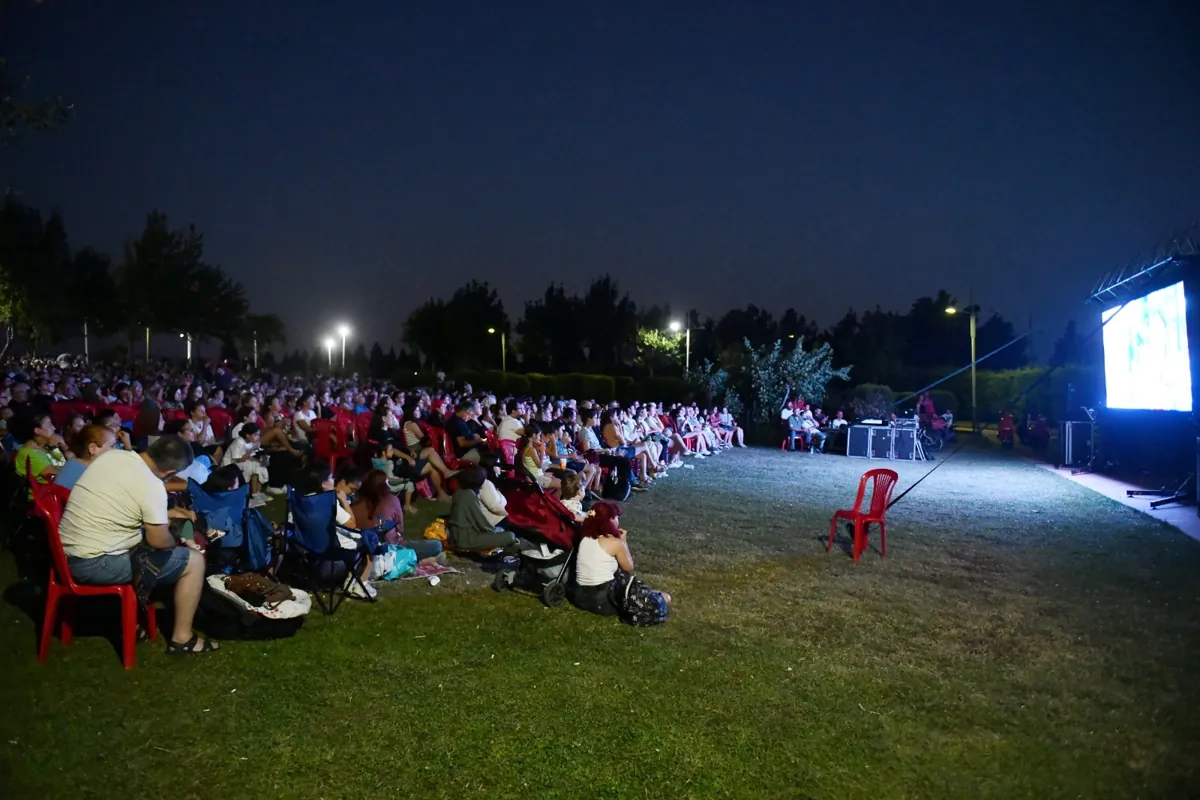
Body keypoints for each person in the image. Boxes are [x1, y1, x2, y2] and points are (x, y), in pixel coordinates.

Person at [58, 435, 219, 655]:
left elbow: (119, 499)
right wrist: (175, 540)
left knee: (147, 545)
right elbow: (157, 541)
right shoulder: (151, 486)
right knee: (194, 562)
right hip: (93, 563)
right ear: (170, 473)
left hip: (64, 552)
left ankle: (131, 619)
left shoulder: (112, 456)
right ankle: (183, 638)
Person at [569, 500, 670, 617]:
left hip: (579, 596)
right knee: (665, 598)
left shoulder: (584, 537)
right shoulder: (615, 543)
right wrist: (623, 542)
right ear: (610, 521)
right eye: (616, 517)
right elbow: (628, 568)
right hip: (601, 600)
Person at [351, 469, 443, 563]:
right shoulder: (391, 500)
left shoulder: (355, 505)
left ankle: (416, 559)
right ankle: (417, 560)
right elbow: (400, 528)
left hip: (364, 554)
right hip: (391, 550)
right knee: (436, 545)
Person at [446, 465, 519, 552]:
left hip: (459, 536)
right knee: (510, 536)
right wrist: (494, 533)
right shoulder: (469, 495)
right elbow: (481, 523)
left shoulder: (459, 493)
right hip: (466, 540)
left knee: (500, 531)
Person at [220, 422, 271, 506]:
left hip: (241, 462)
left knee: (260, 464)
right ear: (247, 435)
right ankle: (254, 496)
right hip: (230, 465)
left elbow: (251, 456)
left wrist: (262, 457)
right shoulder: (238, 442)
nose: (258, 437)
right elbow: (240, 458)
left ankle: (257, 494)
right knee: (255, 466)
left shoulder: (250, 442)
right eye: (255, 435)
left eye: (258, 435)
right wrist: (252, 448)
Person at [14, 411, 67, 492]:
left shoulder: (49, 446)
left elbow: (65, 463)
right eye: (49, 425)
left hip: (59, 490)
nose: (54, 428)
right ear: (38, 430)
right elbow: (61, 477)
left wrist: (63, 445)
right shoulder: (30, 453)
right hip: (46, 498)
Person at [56, 423, 116, 490]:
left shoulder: (74, 462)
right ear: (93, 448)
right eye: (112, 446)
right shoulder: (90, 474)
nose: (116, 450)